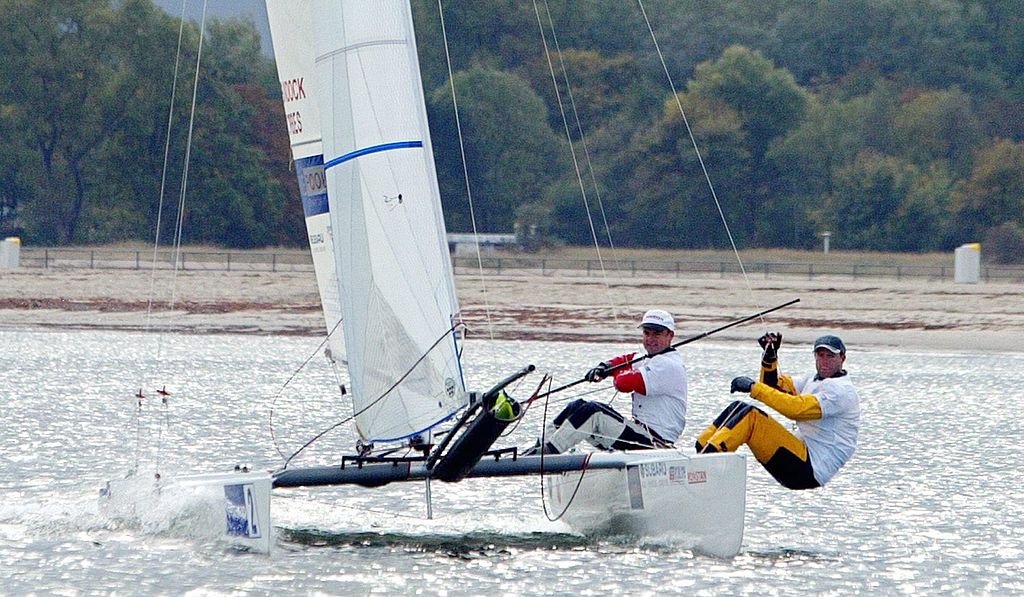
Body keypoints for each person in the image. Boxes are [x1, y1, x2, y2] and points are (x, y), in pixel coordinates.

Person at [694, 333, 860, 489]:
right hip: (800, 455)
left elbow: (796, 409)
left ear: (842, 358)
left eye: (830, 356)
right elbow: (773, 385)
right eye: (820, 355)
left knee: (751, 417)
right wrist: (769, 357)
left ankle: (705, 466)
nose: (824, 361)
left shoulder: (841, 391)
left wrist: (753, 388)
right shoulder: (813, 379)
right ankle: (700, 449)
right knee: (737, 408)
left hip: (810, 469)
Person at [525, 309, 688, 455]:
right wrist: (603, 368)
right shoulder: (647, 358)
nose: (650, 339)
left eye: (657, 334)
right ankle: (538, 449)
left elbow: (623, 384)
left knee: (593, 412)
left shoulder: (669, 365)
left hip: (655, 445)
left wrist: (616, 372)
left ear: (670, 336)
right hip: (639, 435)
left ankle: (548, 455)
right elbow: (623, 360)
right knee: (577, 406)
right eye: (647, 333)